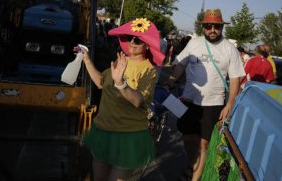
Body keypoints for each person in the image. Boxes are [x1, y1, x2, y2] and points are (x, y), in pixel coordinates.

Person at [81, 18, 165, 180]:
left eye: (138, 39)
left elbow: (138, 101)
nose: (132, 42)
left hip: (128, 135)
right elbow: (100, 82)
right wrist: (87, 61)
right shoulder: (120, 60)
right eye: (129, 37)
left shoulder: (149, 70)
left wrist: (121, 83)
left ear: (147, 44)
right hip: (104, 129)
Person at [166, 9, 245, 180]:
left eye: (216, 26)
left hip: (213, 104)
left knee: (204, 143)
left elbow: (235, 79)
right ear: (203, 27)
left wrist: (230, 104)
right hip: (189, 100)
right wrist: (171, 79)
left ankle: (196, 177)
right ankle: (193, 164)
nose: (212, 29)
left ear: (221, 27)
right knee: (187, 138)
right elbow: (180, 64)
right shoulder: (194, 43)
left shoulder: (229, 49)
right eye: (208, 26)